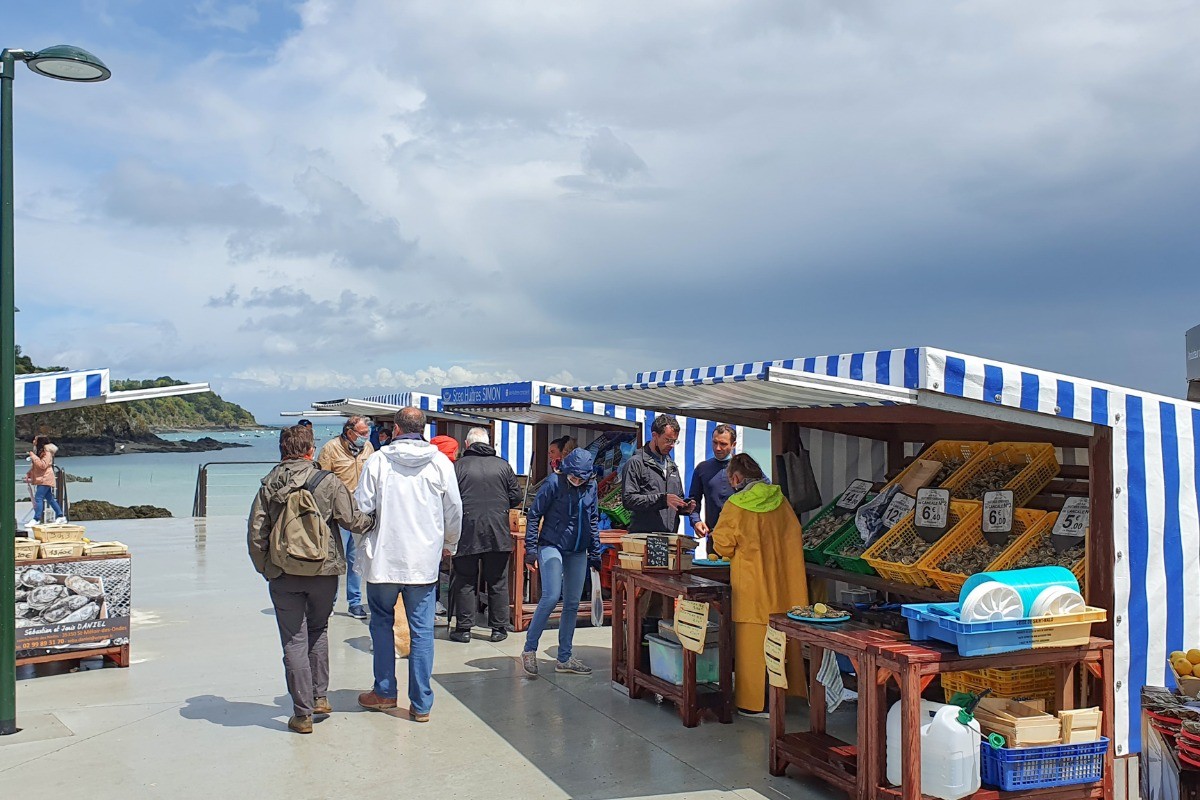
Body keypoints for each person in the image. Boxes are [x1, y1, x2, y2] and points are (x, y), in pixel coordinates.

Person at [247, 425, 374, 734]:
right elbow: (351, 520)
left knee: (294, 640)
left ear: (281, 449)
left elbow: (256, 533)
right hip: (323, 571)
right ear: (310, 450)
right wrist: (374, 520)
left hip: (284, 573)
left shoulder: (269, 484)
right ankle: (319, 697)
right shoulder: (328, 482)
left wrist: (268, 568)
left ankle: (302, 713)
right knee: (318, 630)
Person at [354, 407, 462, 722]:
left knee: (381, 625)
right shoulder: (440, 462)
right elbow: (454, 509)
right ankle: (421, 704)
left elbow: (362, 508)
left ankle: (385, 692)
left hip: (384, 559)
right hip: (423, 561)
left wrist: (364, 543)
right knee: (422, 631)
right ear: (423, 428)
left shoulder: (378, 460)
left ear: (397, 429)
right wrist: (449, 544)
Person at [710, 453, 809, 715]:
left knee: (751, 648)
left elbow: (722, 545)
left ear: (737, 477)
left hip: (751, 589)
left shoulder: (736, 504)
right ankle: (784, 696)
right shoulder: (781, 500)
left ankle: (754, 703)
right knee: (782, 641)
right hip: (785, 588)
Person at [520, 449, 601, 678]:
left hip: (578, 549)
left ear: (588, 476)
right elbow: (534, 515)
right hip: (551, 544)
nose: (576, 481)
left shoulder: (591, 487)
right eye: (573, 476)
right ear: (565, 470)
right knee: (551, 595)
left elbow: (593, 519)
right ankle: (529, 649)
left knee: (573, 603)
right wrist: (530, 550)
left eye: (581, 478)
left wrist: (595, 552)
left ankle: (564, 658)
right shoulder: (554, 482)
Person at [449, 427, 521, 643]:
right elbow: (516, 496)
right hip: (497, 531)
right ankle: (499, 628)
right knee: (497, 580)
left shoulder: (458, 467)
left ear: (466, 444)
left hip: (466, 531)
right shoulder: (502, 465)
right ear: (489, 443)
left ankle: (464, 629)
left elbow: (449, 500)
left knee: (465, 580)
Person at [316, 415, 374, 619]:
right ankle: (328, 602)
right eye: (363, 433)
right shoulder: (330, 449)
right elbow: (320, 481)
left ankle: (355, 602)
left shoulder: (369, 449)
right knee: (333, 558)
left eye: (368, 433)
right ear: (350, 432)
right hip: (336, 513)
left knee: (356, 558)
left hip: (360, 511)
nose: (367, 437)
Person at [621, 414, 693, 533]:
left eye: (675, 441)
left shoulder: (672, 465)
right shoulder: (636, 463)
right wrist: (662, 500)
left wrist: (684, 507)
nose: (672, 445)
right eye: (668, 440)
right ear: (655, 436)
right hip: (645, 538)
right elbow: (628, 500)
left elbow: (676, 498)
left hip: (669, 537)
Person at [688, 423, 738, 547]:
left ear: (734, 445)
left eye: (723, 444)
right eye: (715, 443)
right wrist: (696, 521)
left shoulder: (744, 468)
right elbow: (693, 501)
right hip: (714, 537)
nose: (718, 448)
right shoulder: (702, 468)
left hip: (740, 538)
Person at [26, 436, 65, 523]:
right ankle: (60, 515)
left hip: (45, 478)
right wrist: (30, 472)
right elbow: (38, 466)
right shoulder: (40, 452)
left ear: (40, 442)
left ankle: (36, 518)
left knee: (38, 498)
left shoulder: (47, 453)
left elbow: (43, 465)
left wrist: (33, 456)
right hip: (42, 478)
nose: (33, 441)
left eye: (35, 440)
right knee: (49, 498)